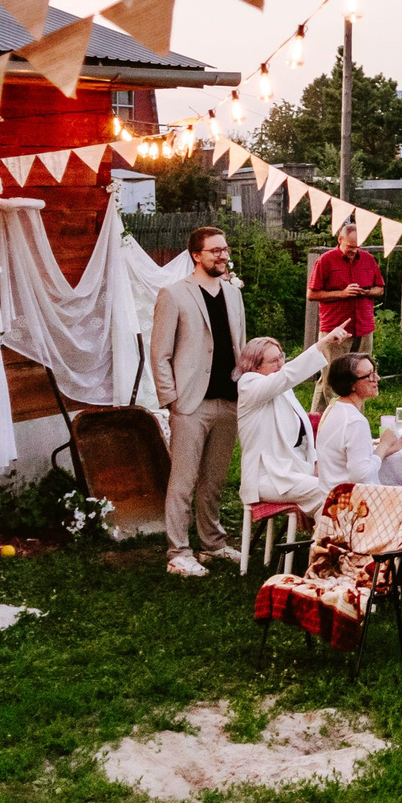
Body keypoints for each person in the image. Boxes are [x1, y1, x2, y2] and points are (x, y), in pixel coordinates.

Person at [150, 225, 245, 579]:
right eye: (214, 250)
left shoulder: (234, 295)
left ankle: (213, 544)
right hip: (190, 403)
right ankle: (178, 551)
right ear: (196, 255)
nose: (222, 255)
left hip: (229, 399)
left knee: (215, 480)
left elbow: (241, 345)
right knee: (183, 480)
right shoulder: (174, 294)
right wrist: (171, 399)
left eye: (224, 249)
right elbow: (159, 353)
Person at [236, 325, 345, 516]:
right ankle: (332, 541)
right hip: (266, 478)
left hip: (293, 472)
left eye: (281, 357)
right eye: (273, 360)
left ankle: (328, 540)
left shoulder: (283, 389)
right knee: (333, 492)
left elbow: (302, 437)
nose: (280, 364)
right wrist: (324, 342)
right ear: (255, 366)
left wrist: (317, 463)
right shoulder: (249, 385)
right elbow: (287, 376)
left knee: (341, 489)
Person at [314, 352, 402, 490]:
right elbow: (361, 476)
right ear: (351, 384)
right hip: (354, 505)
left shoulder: (333, 408)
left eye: (375, 372)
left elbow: (356, 458)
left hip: (332, 498)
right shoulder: (354, 421)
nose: (377, 378)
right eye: (369, 375)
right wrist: (383, 445)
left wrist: (400, 443)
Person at [308, 219, 385, 353]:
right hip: (335, 329)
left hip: (364, 327)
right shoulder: (325, 261)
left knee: (362, 371)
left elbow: (380, 289)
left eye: (358, 247)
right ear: (340, 239)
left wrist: (365, 292)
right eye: (350, 247)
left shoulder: (368, 259)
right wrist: (342, 293)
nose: (354, 251)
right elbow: (312, 294)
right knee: (333, 372)